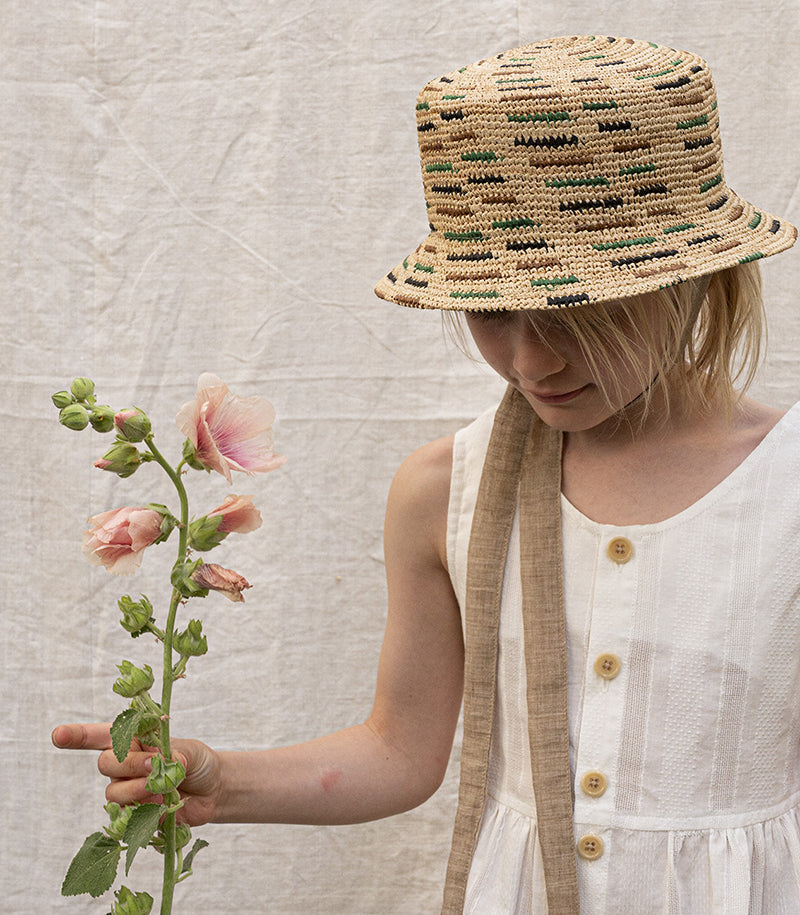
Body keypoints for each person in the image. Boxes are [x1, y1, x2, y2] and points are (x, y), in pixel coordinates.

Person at [52, 35, 799, 914]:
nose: (529, 358)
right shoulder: (445, 488)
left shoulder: (781, 489)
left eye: (573, 305)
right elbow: (401, 749)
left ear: (691, 274)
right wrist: (224, 781)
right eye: (487, 306)